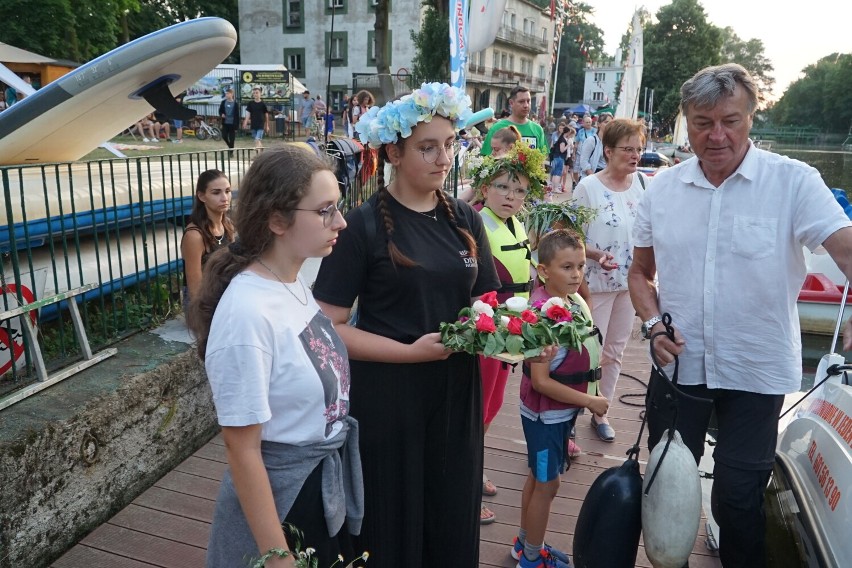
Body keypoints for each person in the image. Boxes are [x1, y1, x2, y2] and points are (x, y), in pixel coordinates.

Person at [628, 63, 852, 568]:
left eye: (730, 120)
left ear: (753, 116)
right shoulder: (661, 189)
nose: (717, 135)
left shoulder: (794, 182)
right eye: (703, 122)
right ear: (686, 120)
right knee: (667, 486)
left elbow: (846, 252)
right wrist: (651, 323)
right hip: (679, 366)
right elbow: (639, 274)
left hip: (757, 368)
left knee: (737, 493)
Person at [312, 83, 500, 568]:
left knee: (450, 509)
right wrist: (410, 352)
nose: (443, 158)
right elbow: (327, 327)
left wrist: (518, 332)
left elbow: (484, 299)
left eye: (450, 143)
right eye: (427, 147)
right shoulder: (362, 226)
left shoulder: (464, 218)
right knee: (391, 518)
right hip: (389, 398)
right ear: (393, 151)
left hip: (456, 393)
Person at [186, 145, 360, 568]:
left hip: (314, 484)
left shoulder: (293, 283)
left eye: (337, 207)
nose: (341, 221)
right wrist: (278, 554)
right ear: (277, 220)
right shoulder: (248, 314)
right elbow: (242, 449)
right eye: (324, 211)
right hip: (283, 503)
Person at [513, 229, 608, 568]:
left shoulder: (570, 300)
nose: (577, 274)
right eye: (567, 267)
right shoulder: (541, 318)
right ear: (543, 271)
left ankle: (525, 543)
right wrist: (590, 402)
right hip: (544, 418)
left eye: (581, 266)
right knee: (547, 484)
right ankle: (532, 558)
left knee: (537, 478)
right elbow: (540, 382)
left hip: (557, 417)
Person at [469, 141, 548, 525]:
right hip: (487, 335)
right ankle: (465, 485)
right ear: (485, 189)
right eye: (502, 187)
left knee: (492, 407)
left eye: (519, 191)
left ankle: (474, 464)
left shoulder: (517, 224)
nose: (511, 197)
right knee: (477, 408)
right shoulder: (477, 224)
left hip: (509, 334)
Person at [573, 118, 647, 443]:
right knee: (588, 350)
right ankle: (572, 412)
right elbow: (568, 237)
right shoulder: (588, 187)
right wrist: (594, 254)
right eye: (628, 149)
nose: (635, 156)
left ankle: (601, 411)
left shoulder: (644, 184)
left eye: (639, 149)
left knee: (615, 351)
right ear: (608, 150)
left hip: (629, 284)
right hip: (594, 284)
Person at [180, 169, 235, 304]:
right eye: (216, 192)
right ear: (201, 196)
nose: (224, 198)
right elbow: (195, 290)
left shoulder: (228, 225)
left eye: (227, 191)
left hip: (226, 295)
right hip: (203, 303)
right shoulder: (194, 235)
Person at [480, 86, 548, 155]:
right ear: (511, 103)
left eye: (528, 101)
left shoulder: (538, 129)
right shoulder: (497, 128)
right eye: (521, 101)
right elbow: (486, 158)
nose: (526, 105)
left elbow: (541, 161)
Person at [578, 112, 613, 178]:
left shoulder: (612, 142)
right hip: (593, 176)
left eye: (611, 123)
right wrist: (594, 178)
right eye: (606, 122)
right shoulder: (591, 140)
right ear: (599, 124)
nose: (609, 125)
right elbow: (583, 161)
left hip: (608, 177)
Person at [548, 125, 573, 195]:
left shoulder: (561, 138)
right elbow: (562, 150)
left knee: (555, 173)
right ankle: (555, 188)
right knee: (557, 173)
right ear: (567, 132)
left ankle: (553, 187)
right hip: (559, 157)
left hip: (556, 157)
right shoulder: (563, 140)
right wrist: (568, 145)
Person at [572, 116, 595, 183]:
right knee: (575, 171)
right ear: (583, 123)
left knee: (586, 170)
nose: (588, 123)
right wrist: (574, 153)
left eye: (589, 122)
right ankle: (577, 183)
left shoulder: (595, 131)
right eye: (587, 122)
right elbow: (576, 143)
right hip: (579, 154)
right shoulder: (580, 131)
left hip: (590, 155)